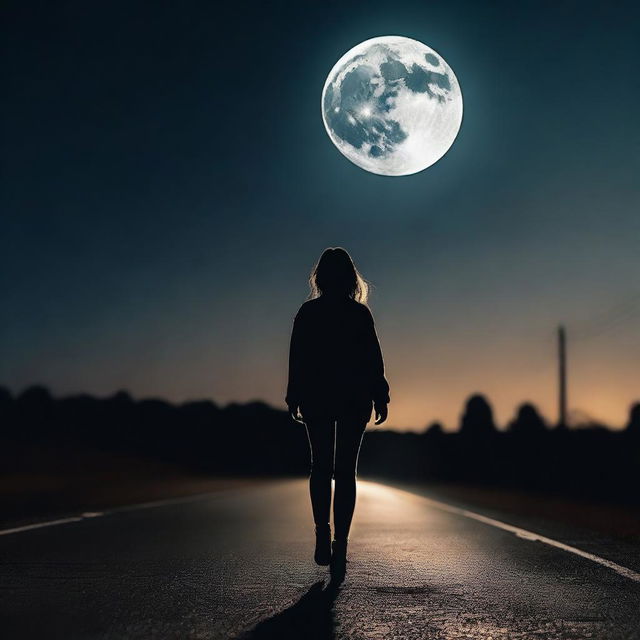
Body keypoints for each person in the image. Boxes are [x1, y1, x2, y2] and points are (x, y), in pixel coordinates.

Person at [286, 247, 390, 580]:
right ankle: (340, 543)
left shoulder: (309, 312)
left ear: (320, 277)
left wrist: (294, 394)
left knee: (321, 466)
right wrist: (380, 395)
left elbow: (297, 356)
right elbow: (374, 360)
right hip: (353, 397)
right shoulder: (359, 314)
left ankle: (322, 532)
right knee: (345, 471)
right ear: (350, 277)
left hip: (317, 395)